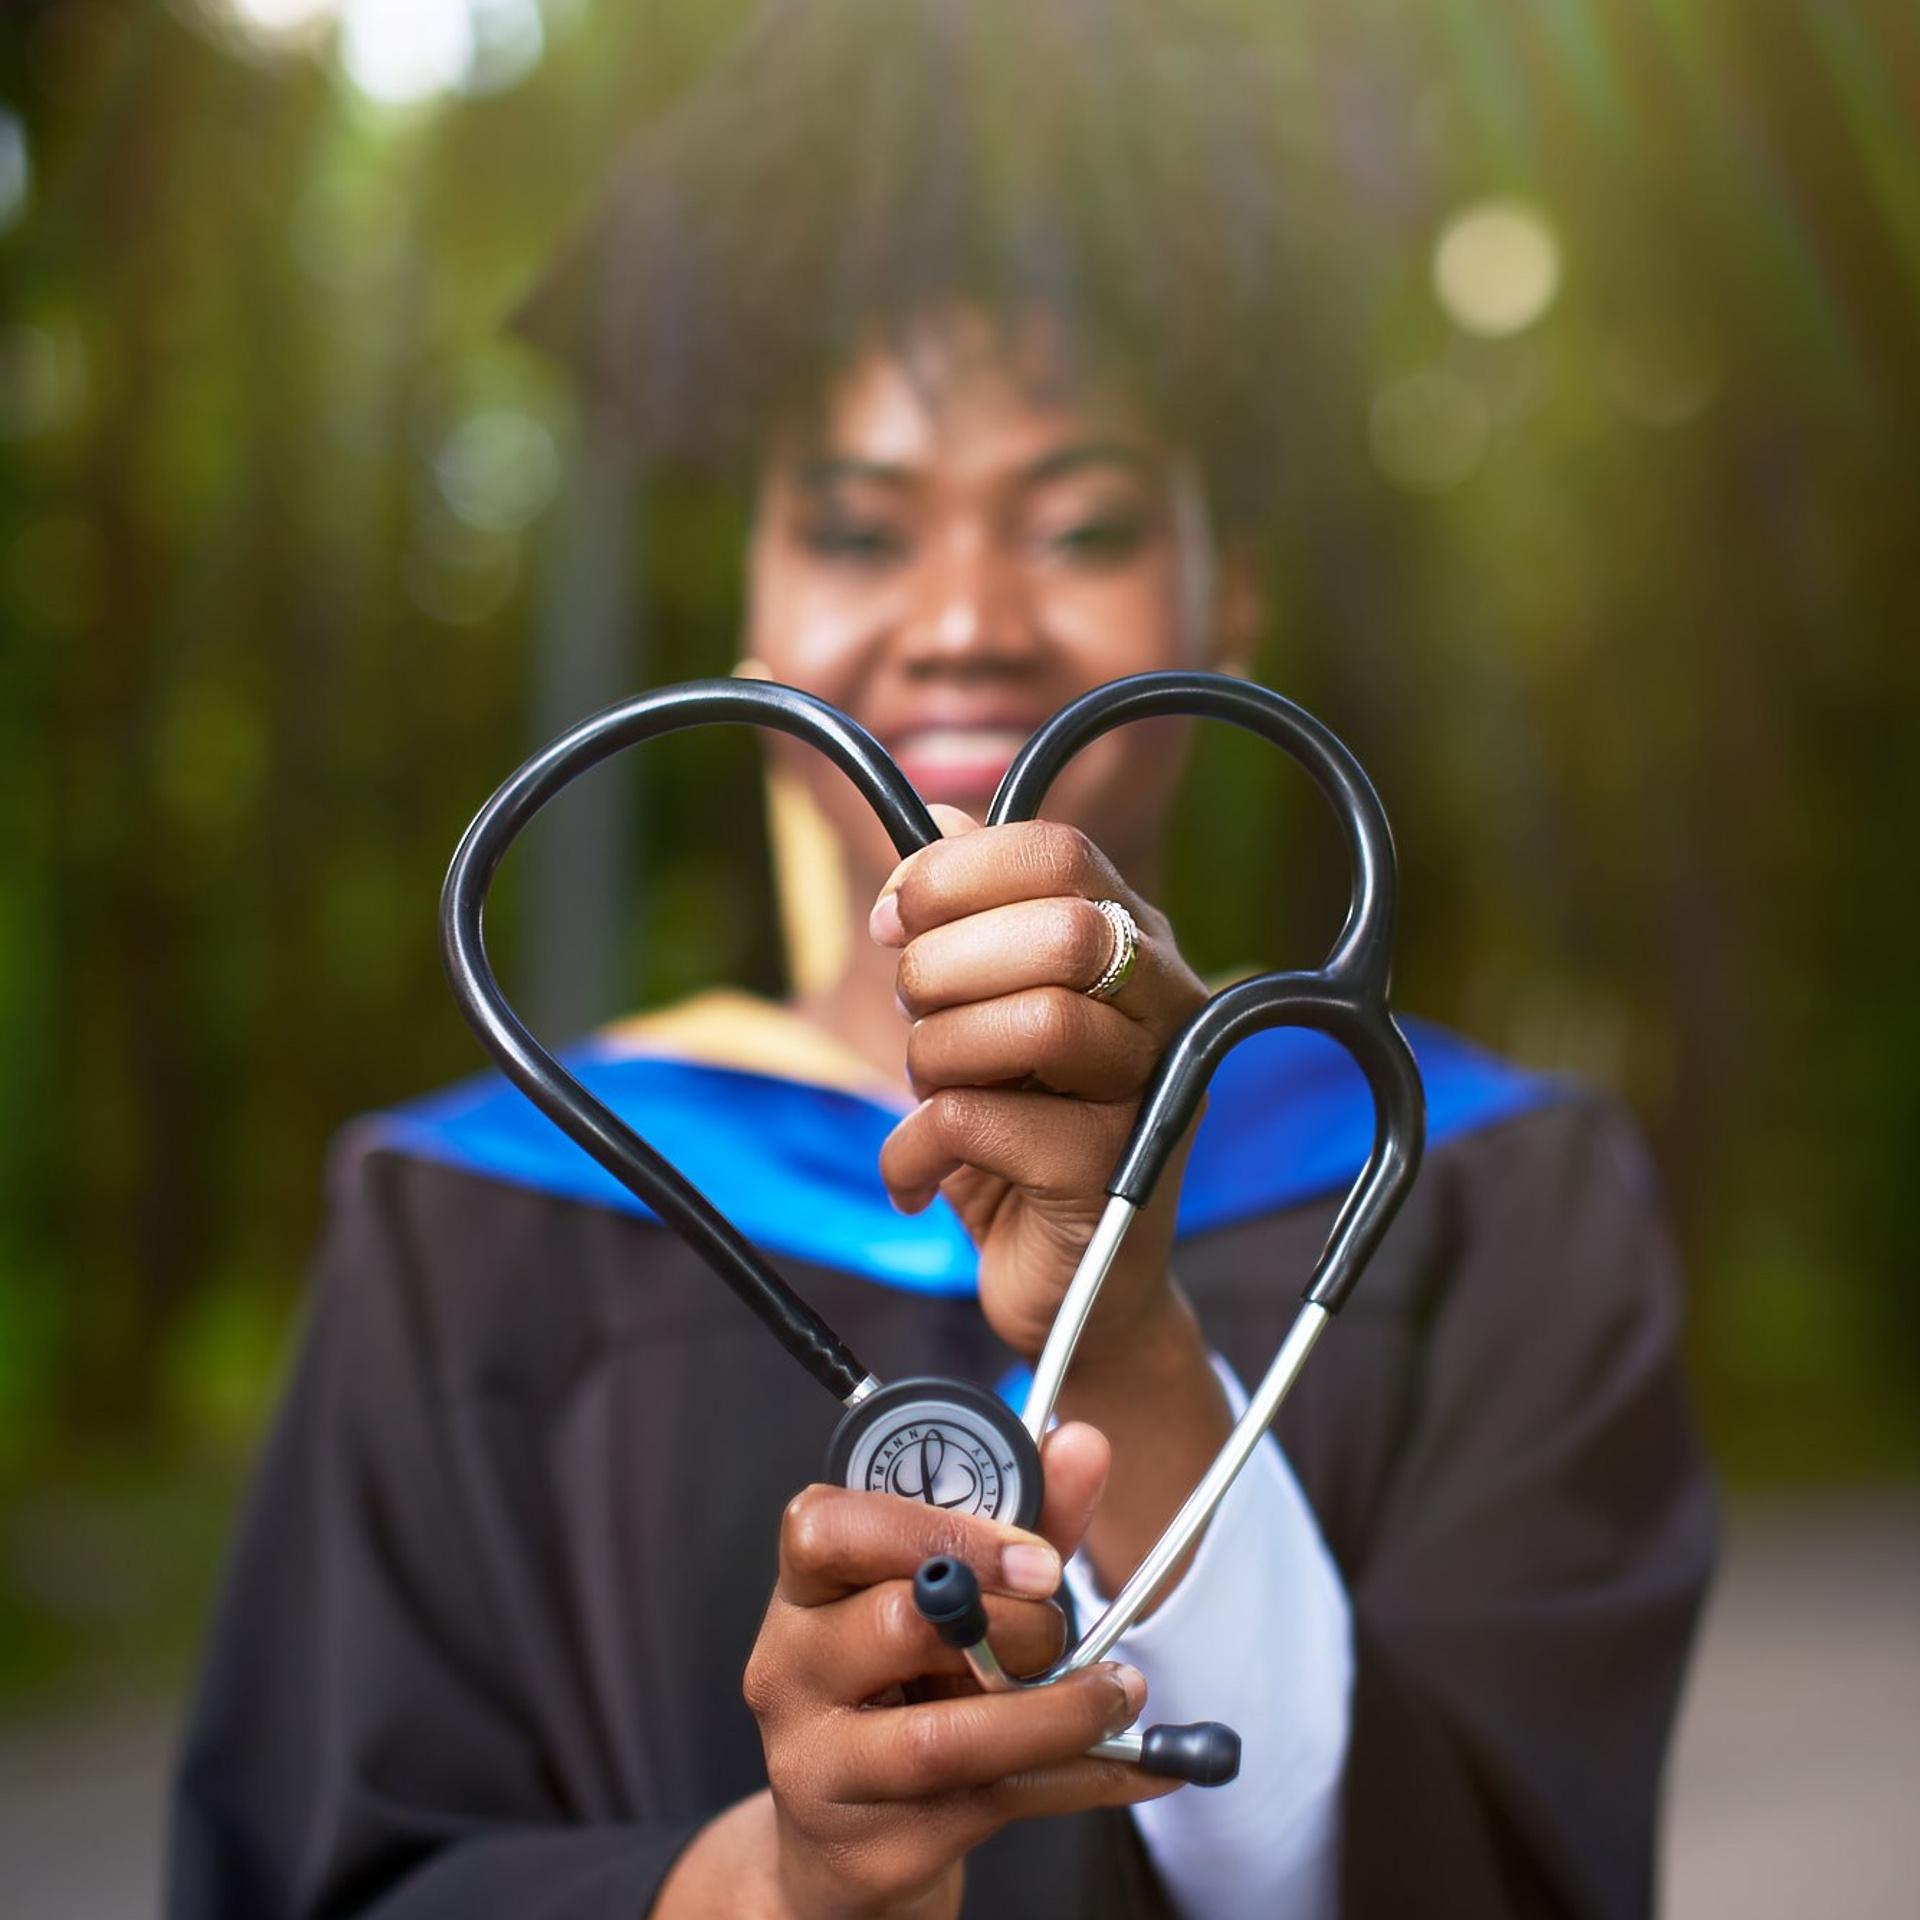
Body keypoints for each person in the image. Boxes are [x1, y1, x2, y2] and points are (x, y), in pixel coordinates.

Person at [167, 4, 1715, 1917]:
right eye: (854, 525)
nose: (967, 620)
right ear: (749, 608)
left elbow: (1507, 1875)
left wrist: (1134, 1338)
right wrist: (774, 1886)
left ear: (1226, 598)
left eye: (1076, 520)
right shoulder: (470, 1221)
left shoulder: (1484, 1193)